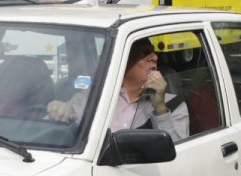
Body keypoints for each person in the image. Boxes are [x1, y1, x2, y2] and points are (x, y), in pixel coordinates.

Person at [47, 38, 189, 142]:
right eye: (144, 53)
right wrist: (57, 111)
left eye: (154, 53)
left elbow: (178, 154)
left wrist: (159, 108)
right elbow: (61, 123)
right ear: (122, 60)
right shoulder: (92, 98)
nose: (154, 57)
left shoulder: (172, 104)